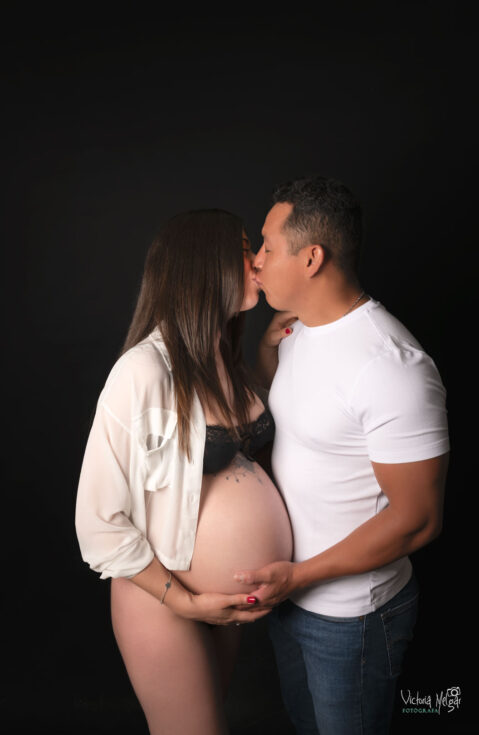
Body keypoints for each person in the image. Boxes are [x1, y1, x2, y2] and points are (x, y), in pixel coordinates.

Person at [234, 177, 450, 735]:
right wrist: (266, 352)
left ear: (312, 259)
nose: (256, 262)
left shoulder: (391, 366)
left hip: (351, 617)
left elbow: (418, 519)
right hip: (291, 597)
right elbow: (298, 421)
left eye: (267, 247)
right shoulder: (297, 331)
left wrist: (300, 576)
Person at [75, 209, 292, 735]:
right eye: (244, 249)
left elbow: (238, 435)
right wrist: (186, 601)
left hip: (220, 602)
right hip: (163, 598)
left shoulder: (221, 359)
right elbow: (97, 522)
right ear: (204, 264)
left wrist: (266, 353)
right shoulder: (143, 371)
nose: (257, 262)